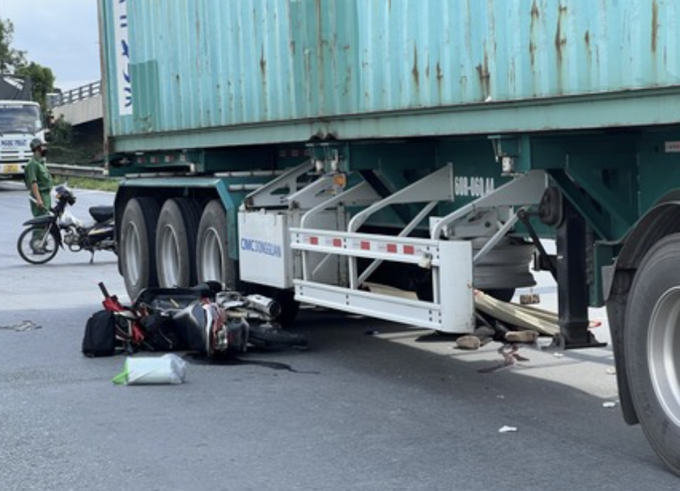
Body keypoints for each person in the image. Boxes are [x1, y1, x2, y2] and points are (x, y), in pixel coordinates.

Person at [24, 137, 53, 252]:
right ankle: (36, 245)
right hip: (39, 196)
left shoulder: (41, 162)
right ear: (37, 149)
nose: (45, 148)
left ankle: (42, 243)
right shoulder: (32, 164)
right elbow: (33, 183)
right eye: (43, 146)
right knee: (39, 221)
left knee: (45, 221)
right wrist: (39, 199)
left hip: (45, 195)